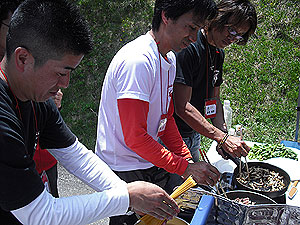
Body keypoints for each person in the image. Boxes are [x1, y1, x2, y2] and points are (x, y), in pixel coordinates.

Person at [0, 0, 180, 224]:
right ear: (23, 58)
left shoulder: (37, 98)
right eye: (61, 72)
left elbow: (75, 155)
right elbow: (39, 214)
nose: (65, 84)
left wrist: (129, 195)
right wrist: (127, 197)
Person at [95, 0, 220, 224]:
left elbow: (166, 118)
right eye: (190, 27)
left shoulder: (169, 59)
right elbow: (135, 137)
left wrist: (186, 157)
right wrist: (184, 166)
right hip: (125, 167)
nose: (194, 38)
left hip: (147, 159)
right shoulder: (138, 61)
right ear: (166, 16)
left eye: (197, 30)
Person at [173, 0, 257, 162]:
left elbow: (214, 98)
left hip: (194, 132)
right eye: (231, 30)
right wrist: (221, 137)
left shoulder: (218, 52)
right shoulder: (189, 46)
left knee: (193, 182)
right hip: (174, 135)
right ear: (217, 19)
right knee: (177, 185)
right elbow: (182, 106)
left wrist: (223, 136)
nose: (232, 39)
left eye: (239, 35)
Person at [33, 89, 63, 198]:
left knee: (53, 195)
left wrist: (56, 106)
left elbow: (54, 125)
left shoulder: (46, 85)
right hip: (26, 160)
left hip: (48, 156)